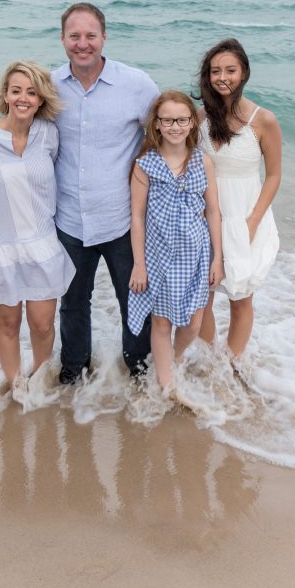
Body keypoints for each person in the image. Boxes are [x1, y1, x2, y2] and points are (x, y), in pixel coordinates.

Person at [52, 2, 160, 384]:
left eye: (90, 35)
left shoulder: (136, 84)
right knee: (73, 304)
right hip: (67, 219)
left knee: (134, 298)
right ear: (62, 38)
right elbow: (17, 140)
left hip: (122, 219)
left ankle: (140, 368)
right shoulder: (47, 87)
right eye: (75, 36)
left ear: (104, 37)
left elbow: (169, 132)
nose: (83, 44)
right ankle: (74, 368)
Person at [0, 61, 76, 401]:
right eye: (16, 90)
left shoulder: (49, 133)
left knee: (43, 324)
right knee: (8, 325)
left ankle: (40, 380)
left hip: (42, 245)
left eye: (31, 92)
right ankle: (16, 384)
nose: (23, 98)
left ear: (41, 98)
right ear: (5, 95)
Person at [127, 91, 223, 395]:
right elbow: (138, 218)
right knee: (162, 323)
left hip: (196, 255)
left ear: (192, 123)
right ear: (156, 124)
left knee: (193, 324)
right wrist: (139, 265)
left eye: (182, 120)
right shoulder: (145, 165)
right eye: (167, 120)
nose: (174, 126)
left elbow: (212, 210)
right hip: (160, 257)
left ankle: (176, 360)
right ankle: (166, 384)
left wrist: (217, 258)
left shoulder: (202, 161)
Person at [196, 38, 281, 359]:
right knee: (202, 296)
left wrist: (253, 222)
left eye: (230, 70)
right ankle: (209, 359)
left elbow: (273, 175)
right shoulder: (200, 117)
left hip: (246, 216)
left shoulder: (264, 120)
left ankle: (231, 364)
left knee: (241, 297)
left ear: (244, 72)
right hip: (204, 217)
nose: (222, 77)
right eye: (215, 71)